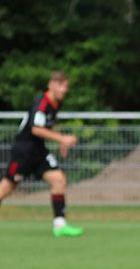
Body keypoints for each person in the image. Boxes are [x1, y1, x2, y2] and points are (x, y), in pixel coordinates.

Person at [0, 70, 84, 237]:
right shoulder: (42, 102)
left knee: (59, 179)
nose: (64, 90)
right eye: (61, 86)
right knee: (7, 188)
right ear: (51, 85)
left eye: (66, 87)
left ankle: (60, 225)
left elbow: (47, 126)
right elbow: (36, 129)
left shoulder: (56, 104)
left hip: (39, 152)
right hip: (24, 152)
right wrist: (62, 139)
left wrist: (61, 141)